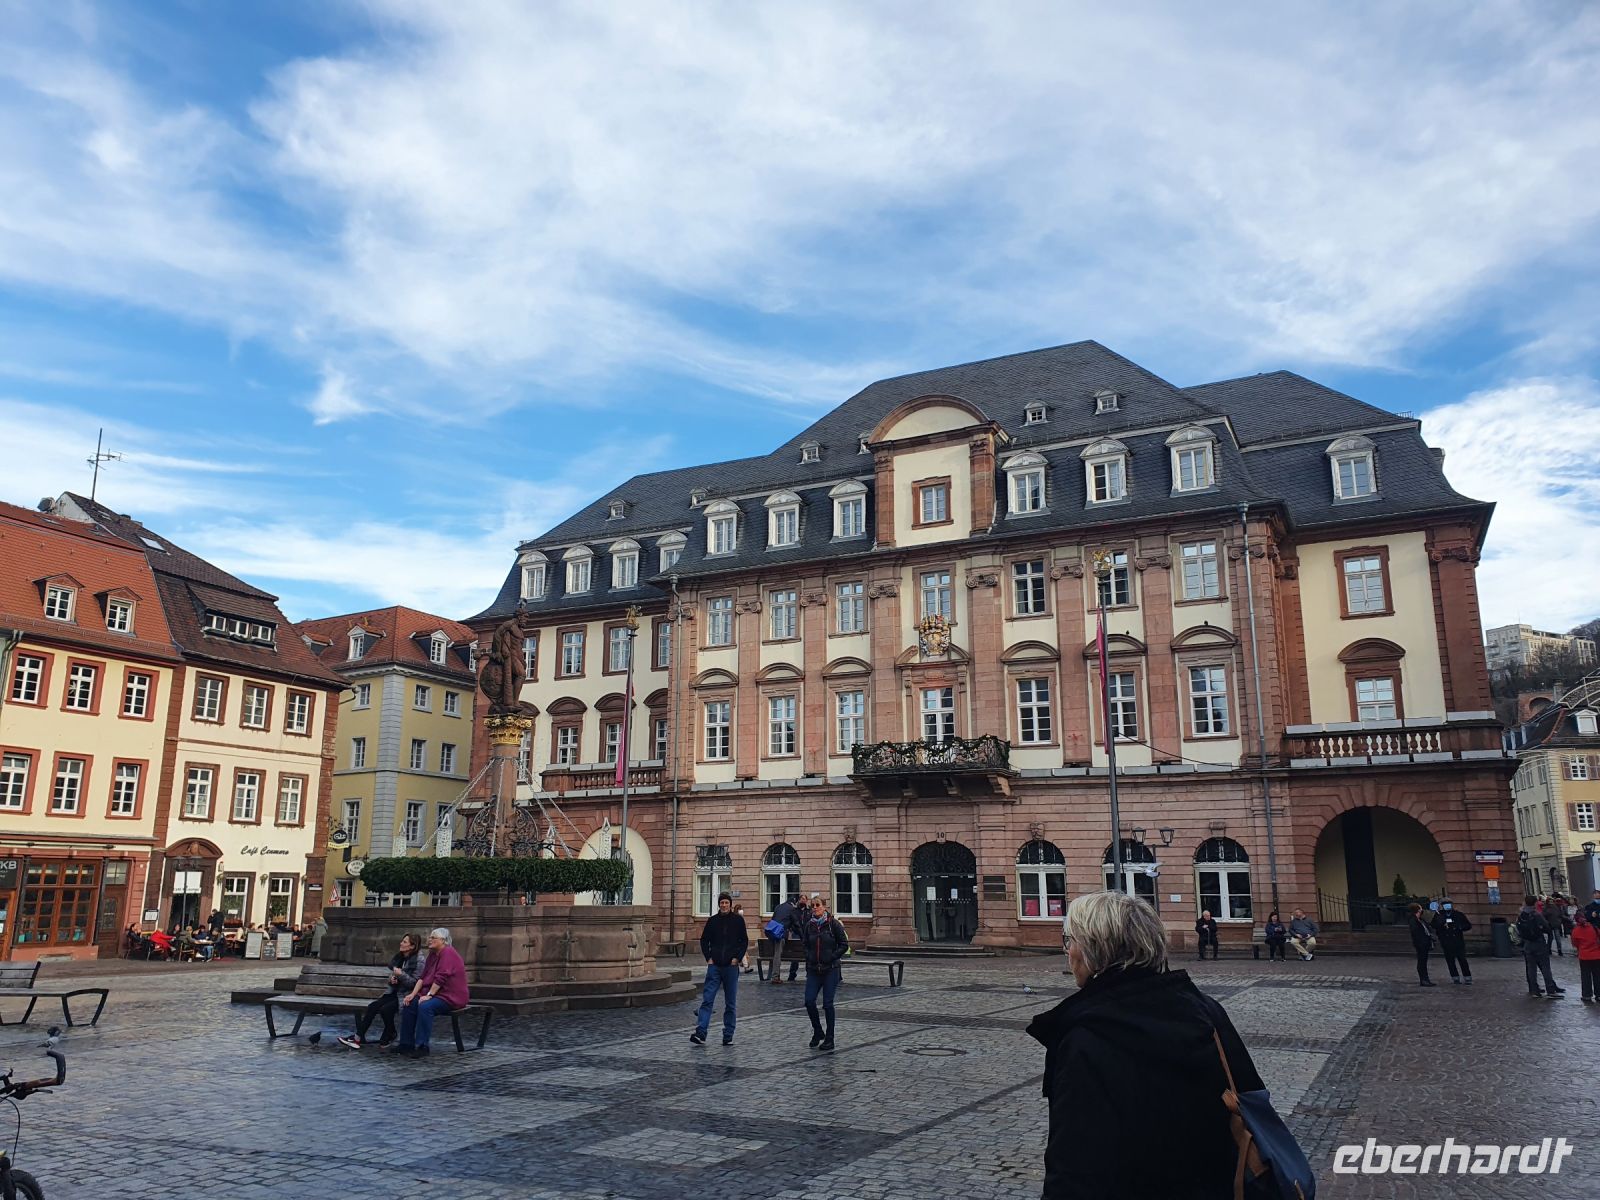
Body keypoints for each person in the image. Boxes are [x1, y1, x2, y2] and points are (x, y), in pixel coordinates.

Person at [1028, 890, 1268, 1199]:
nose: (1068, 951)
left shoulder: (1087, 1036)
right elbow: (1250, 1096)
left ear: (1093, 949)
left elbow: (1076, 1166)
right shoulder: (1204, 1009)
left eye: (1069, 941)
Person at [341, 933, 424, 1048]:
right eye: (402, 941)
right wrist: (392, 979)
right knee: (373, 1006)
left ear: (412, 946)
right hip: (394, 992)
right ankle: (357, 1038)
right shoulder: (400, 957)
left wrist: (401, 975)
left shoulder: (419, 960)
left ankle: (391, 1033)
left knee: (386, 1010)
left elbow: (415, 983)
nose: (401, 943)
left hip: (406, 995)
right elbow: (393, 975)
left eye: (405, 942)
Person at [395, 928, 469, 1057]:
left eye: (433, 937)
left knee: (425, 1007)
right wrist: (412, 994)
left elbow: (441, 977)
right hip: (436, 994)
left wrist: (429, 996)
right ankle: (406, 1044)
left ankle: (422, 1046)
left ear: (443, 941)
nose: (429, 940)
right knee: (410, 1003)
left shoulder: (448, 953)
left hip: (450, 996)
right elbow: (422, 978)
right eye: (430, 937)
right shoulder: (432, 955)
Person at [691, 893, 747, 1046]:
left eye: (726, 903)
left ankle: (728, 1034)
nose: (724, 905)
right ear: (719, 904)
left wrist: (738, 957)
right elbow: (704, 940)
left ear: (730, 904)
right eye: (721, 902)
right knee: (707, 999)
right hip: (714, 965)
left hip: (731, 966)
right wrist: (708, 957)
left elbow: (744, 941)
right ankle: (701, 1032)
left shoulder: (738, 921)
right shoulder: (712, 921)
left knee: (730, 1002)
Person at [800, 894, 850, 1053]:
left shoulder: (833, 924)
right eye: (812, 906)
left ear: (824, 907)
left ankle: (830, 1038)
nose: (814, 908)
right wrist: (809, 957)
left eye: (817, 905)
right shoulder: (809, 925)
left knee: (828, 1004)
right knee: (809, 1001)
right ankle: (818, 1030)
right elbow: (806, 944)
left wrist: (832, 957)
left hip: (831, 970)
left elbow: (844, 944)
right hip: (814, 969)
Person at [1517, 896, 1563, 998]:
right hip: (1539, 943)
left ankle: (1534, 991)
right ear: (1535, 903)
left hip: (1527, 944)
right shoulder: (1536, 914)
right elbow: (1546, 927)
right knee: (1545, 967)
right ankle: (1550, 990)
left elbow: (1518, 929)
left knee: (1531, 968)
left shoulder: (1521, 915)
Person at [1430, 899, 1473, 983]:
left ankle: (1467, 976)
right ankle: (1455, 977)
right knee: (1450, 961)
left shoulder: (1458, 914)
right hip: (1446, 941)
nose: (1447, 906)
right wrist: (1441, 924)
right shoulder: (1439, 915)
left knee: (1462, 959)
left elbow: (1468, 925)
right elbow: (1433, 925)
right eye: (1445, 904)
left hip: (1458, 941)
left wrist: (1459, 927)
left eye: (1448, 904)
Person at [766, 892, 801, 984]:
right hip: (780, 935)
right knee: (777, 954)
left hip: (771, 933)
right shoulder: (792, 909)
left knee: (773, 954)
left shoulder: (778, 907)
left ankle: (770, 975)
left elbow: (773, 918)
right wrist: (802, 935)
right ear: (794, 903)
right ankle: (775, 977)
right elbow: (796, 924)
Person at [1572, 912, 1600, 1003]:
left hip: (1584, 956)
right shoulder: (1594, 928)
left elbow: (1575, 944)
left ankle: (1587, 995)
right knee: (1598, 975)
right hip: (1596, 955)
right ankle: (1598, 994)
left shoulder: (1576, 931)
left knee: (1585, 976)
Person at [1406, 903, 1437, 986]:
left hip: (1424, 943)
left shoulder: (1420, 920)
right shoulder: (1413, 920)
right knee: (1422, 962)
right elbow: (1416, 932)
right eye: (1420, 908)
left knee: (1423, 962)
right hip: (1421, 944)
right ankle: (1424, 980)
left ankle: (1425, 979)